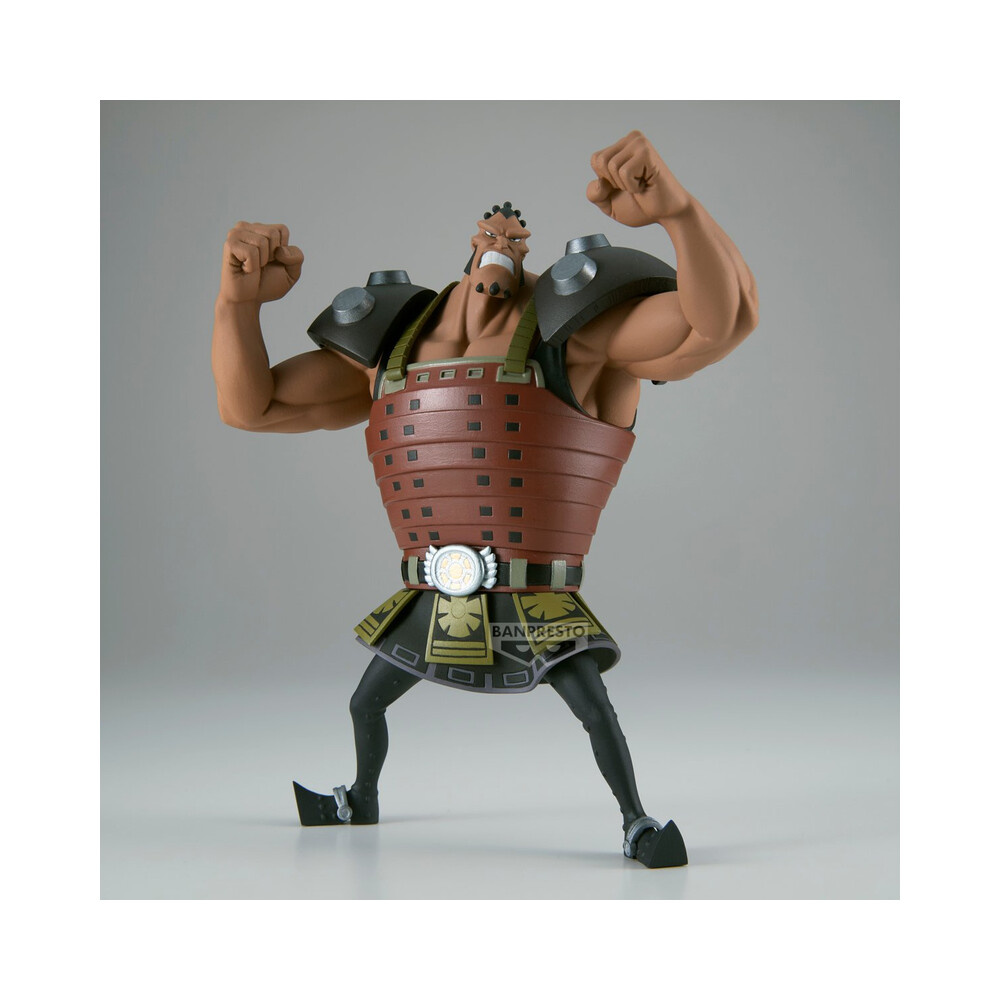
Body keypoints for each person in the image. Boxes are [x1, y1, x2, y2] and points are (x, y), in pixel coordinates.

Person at [211, 130, 758, 867]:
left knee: (593, 709)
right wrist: (235, 305)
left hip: (535, 595)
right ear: (469, 250)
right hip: (431, 592)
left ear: (529, 255)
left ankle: (636, 822)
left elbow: (719, 322)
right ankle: (360, 796)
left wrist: (680, 215)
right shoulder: (392, 344)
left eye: (513, 239)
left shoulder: (577, 336)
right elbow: (250, 406)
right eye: (488, 236)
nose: (499, 245)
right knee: (365, 701)